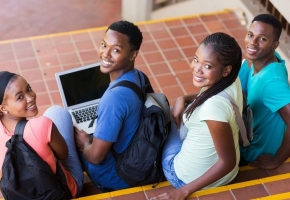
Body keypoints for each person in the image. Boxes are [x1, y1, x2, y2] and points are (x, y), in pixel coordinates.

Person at [151, 32, 243, 200]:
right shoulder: (233, 78)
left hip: (184, 179)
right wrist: (183, 98)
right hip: (228, 174)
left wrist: (183, 191)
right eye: (196, 59)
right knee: (174, 110)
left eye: (207, 66)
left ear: (226, 70)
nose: (196, 69)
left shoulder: (212, 110)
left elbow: (227, 162)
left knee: (163, 113)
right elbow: (214, 95)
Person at [74, 20, 147, 191]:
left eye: (116, 50)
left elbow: (95, 157)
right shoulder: (139, 76)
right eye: (103, 45)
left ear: (132, 55)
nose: (105, 54)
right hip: (133, 155)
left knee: (68, 136)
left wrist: (85, 143)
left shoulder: (114, 99)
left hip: (117, 175)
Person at [0, 71, 84, 198]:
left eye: (28, 89)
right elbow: (63, 154)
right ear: (3, 108)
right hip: (62, 192)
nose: (31, 97)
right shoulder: (42, 125)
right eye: (20, 97)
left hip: (22, 193)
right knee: (57, 112)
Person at [238, 14, 290, 169]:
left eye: (262, 39)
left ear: (274, 45)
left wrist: (276, 161)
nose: (252, 42)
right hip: (250, 133)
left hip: (256, 152)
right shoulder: (268, 59)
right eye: (250, 35)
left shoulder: (272, 82)